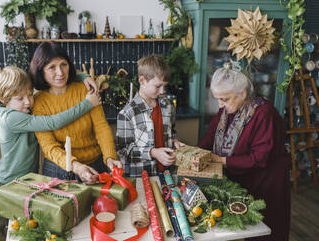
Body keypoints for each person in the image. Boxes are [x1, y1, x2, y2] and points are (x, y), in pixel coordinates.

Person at [0, 66, 100, 234]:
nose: (28, 101)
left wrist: (82, 76)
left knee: (31, 231)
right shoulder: (11, 117)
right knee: (16, 235)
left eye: (30, 94)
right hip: (7, 188)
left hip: (25, 184)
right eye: (20, 98)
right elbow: (53, 122)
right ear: (3, 99)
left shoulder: (22, 109)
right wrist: (87, 104)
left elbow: (50, 79)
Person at [197, 64, 291, 241]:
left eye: (224, 99)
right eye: (217, 99)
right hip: (241, 180)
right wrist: (192, 152)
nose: (220, 105)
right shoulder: (226, 111)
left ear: (243, 93)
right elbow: (210, 138)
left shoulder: (264, 114)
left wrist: (221, 160)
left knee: (265, 230)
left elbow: (259, 158)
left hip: (267, 183)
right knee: (241, 228)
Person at [30, 41, 122, 185]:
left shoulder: (85, 89)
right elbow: (49, 147)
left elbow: (101, 127)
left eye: (63, 64)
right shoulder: (38, 102)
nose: (60, 72)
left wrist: (110, 157)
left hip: (96, 164)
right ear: (41, 70)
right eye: (52, 67)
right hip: (59, 169)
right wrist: (76, 166)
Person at [116, 54, 185, 177]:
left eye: (164, 86)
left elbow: (172, 131)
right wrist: (153, 153)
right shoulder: (127, 113)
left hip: (167, 172)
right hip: (142, 176)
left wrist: (175, 141)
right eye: (158, 86)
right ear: (142, 80)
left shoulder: (168, 105)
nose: (162, 91)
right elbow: (124, 151)